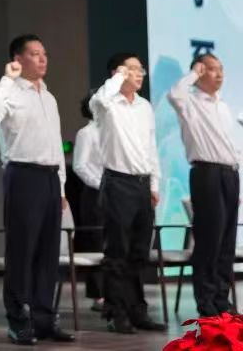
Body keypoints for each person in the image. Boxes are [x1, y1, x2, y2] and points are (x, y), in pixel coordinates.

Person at [0, 34, 73, 345]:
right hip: (23, 175)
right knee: (22, 251)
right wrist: (7, 80)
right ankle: (18, 320)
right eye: (34, 53)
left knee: (48, 253)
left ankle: (44, 319)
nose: (42, 58)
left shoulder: (49, 97)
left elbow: (56, 145)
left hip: (50, 177)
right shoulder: (9, 92)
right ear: (18, 59)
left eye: (44, 53)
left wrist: (61, 187)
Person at [90, 53, 166, 333]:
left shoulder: (145, 106)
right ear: (117, 72)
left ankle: (137, 310)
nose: (140, 73)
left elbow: (151, 147)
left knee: (139, 252)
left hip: (142, 184)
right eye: (133, 69)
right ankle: (116, 312)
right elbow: (99, 99)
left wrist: (154, 184)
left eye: (140, 69)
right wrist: (118, 78)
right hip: (118, 183)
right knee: (117, 252)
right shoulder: (106, 103)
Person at [167, 54, 240, 317]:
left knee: (227, 242)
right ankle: (206, 300)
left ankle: (222, 298)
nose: (219, 74)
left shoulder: (223, 106)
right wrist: (193, 74)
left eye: (221, 69)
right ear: (199, 72)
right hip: (206, 173)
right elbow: (174, 93)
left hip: (229, 174)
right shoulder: (190, 102)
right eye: (211, 69)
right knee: (210, 239)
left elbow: (232, 143)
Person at [71, 92, 105, 312]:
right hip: (94, 193)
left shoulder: (112, 130)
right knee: (97, 243)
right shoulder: (86, 133)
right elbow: (80, 166)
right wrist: (101, 184)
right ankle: (98, 295)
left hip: (114, 192)